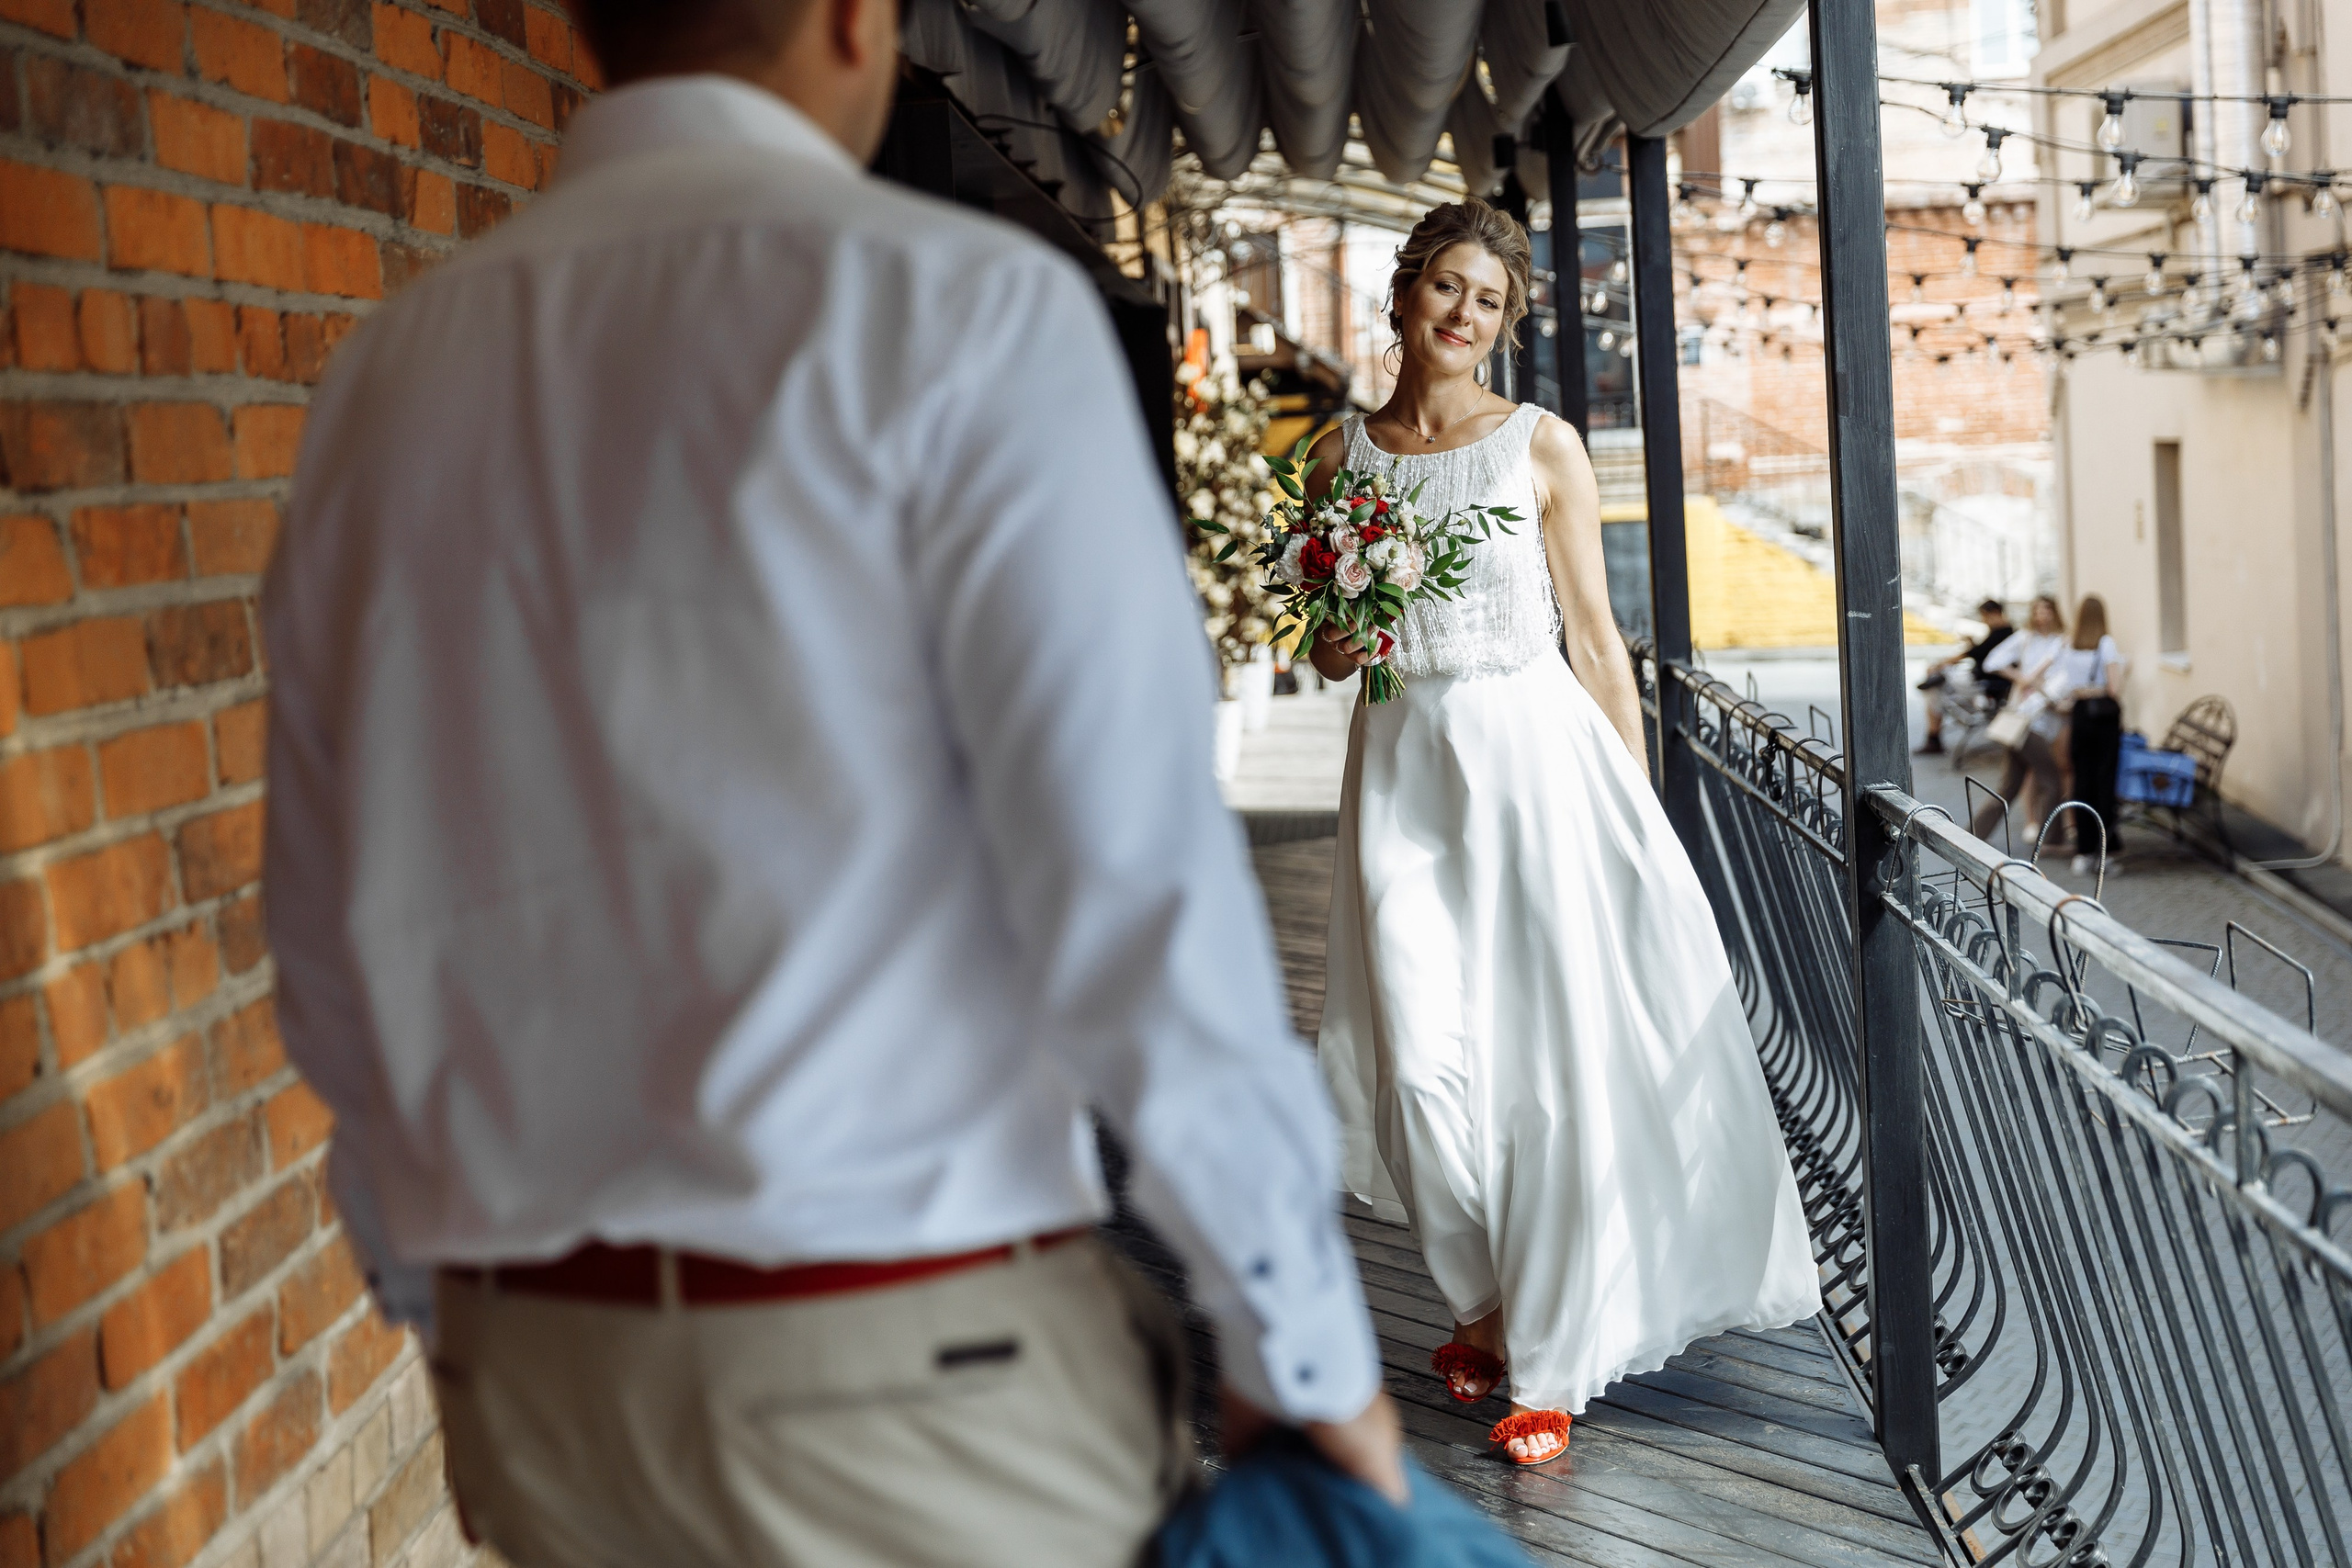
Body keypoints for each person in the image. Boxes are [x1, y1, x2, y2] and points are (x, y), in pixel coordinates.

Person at [259, 2, 1404, 1564]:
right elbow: (1134, 890)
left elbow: (328, 951)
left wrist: (454, 1310)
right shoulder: (963, 313)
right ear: (856, 18)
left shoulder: (382, 382)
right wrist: (1304, 1349)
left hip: (542, 1394)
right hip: (908, 1385)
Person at [1306, 200, 1821, 1469]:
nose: (1464, 315)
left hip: (1539, 772)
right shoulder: (1334, 456)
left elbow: (1596, 639)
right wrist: (1352, 622)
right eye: (1447, 288)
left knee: (1548, 1057)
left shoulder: (1540, 447)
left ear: (1505, 321)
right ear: (1407, 289)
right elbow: (1322, 647)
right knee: (1423, 1061)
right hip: (1402, 774)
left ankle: (1551, 1350)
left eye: (1488, 300)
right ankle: (1480, 1297)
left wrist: (1637, 808)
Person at [1969, 594, 2071, 848]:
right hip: (2026, 719)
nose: (2042, 616)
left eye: (2047, 610)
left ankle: (1972, 834)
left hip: (2043, 719)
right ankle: (2051, 841)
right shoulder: (2025, 638)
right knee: (2051, 780)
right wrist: (2022, 678)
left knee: (2009, 785)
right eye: (2037, 611)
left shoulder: (2063, 641)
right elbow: (1993, 662)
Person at [2046, 593, 2128, 872]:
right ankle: (2106, 851)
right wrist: (2095, 689)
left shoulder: (2068, 643)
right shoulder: (2106, 643)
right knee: (2105, 781)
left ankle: (2082, 850)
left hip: (2079, 716)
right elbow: (2114, 688)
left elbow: (2062, 681)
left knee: (2082, 780)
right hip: (2103, 718)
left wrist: (2079, 692)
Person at [1915, 597, 2014, 755]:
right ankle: (1933, 736)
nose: (1984, 621)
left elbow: (1975, 653)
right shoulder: (2001, 633)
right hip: (1981, 682)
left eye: (1985, 617)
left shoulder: (2004, 633)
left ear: (1994, 613)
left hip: (1986, 685)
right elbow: (1979, 652)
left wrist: (1944, 663)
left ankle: (1933, 737)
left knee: (1935, 690)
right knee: (1934, 690)